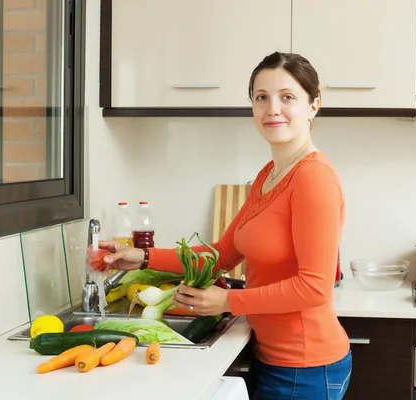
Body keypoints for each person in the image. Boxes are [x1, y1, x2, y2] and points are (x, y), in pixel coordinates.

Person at [99, 51, 352, 400]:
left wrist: (229, 300)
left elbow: (314, 288)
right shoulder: (269, 174)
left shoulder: (313, 179)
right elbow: (222, 254)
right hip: (275, 359)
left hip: (306, 367)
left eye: (287, 97)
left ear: (313, 105)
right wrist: (142, 257)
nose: (272, 108)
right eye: (261, 97)